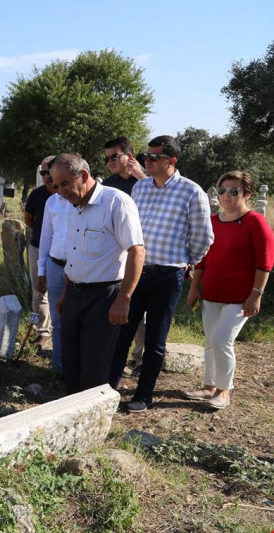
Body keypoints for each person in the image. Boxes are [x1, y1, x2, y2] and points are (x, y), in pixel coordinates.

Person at [109, 135, 214, 413]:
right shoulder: (140, 188)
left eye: (155, 157)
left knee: (155, 338)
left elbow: (204, 237)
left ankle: (143, 395)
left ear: (172, 161)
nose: (148, 161)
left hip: (167, 274)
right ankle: (107, 389)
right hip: (135, 270)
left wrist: (187, 261)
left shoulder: (192, 192)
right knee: (121, 332)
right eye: (147, 156)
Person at [49, 153, 144, 395]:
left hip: (104, 296)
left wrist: (124, 299)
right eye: (56, 185)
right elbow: (75, 253)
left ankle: (92, 419)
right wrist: (65, 294)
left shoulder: (116, 202)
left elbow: (137, 251)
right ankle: (70, 413)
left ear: (83, 175)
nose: (60, 191)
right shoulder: (73, 206)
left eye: (65, 184)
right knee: (71, 360)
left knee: (95, 364)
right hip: (74, 294)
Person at [184, 171, 273, 410]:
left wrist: (256, 295)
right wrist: (194, 287)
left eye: (234, 191)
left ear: (246, 194)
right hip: (212, 292)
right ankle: (209, 386)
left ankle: (224, 390)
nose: (226, 195)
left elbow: (264, 262)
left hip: (240, 297)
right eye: (222, 190)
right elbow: (202, 260)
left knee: (223, 339)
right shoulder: (212, 222)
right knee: (211, 341)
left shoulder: (255, 221)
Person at [103, 136, 148, 376]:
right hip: (114, 251)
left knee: (140, 309)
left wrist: (142, 177)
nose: (110, 161)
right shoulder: (108, 184)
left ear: (129, 156)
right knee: (117, 301)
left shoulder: (146, 181)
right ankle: (114, 353)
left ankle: (141, 358)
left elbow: (159, 200)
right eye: (107, 158)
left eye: (115, 156)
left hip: (140, 251)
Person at [36, 160, 68, 373]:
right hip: (55, 265)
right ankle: (60, 368)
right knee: (57, 319)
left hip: (82, 270)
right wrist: (41, 271)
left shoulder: (85, 202)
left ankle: (78, 366)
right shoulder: (53, 202)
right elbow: (46, 236)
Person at [24, 155, 55, 349]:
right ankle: (41, 330)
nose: (45, 176)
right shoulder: (37, 195)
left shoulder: (67, 194)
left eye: (48, 172)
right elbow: (29, 220)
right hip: (37, 248)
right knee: (38, 291)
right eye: (42, 172)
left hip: (62, 253)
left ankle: (59, 329)